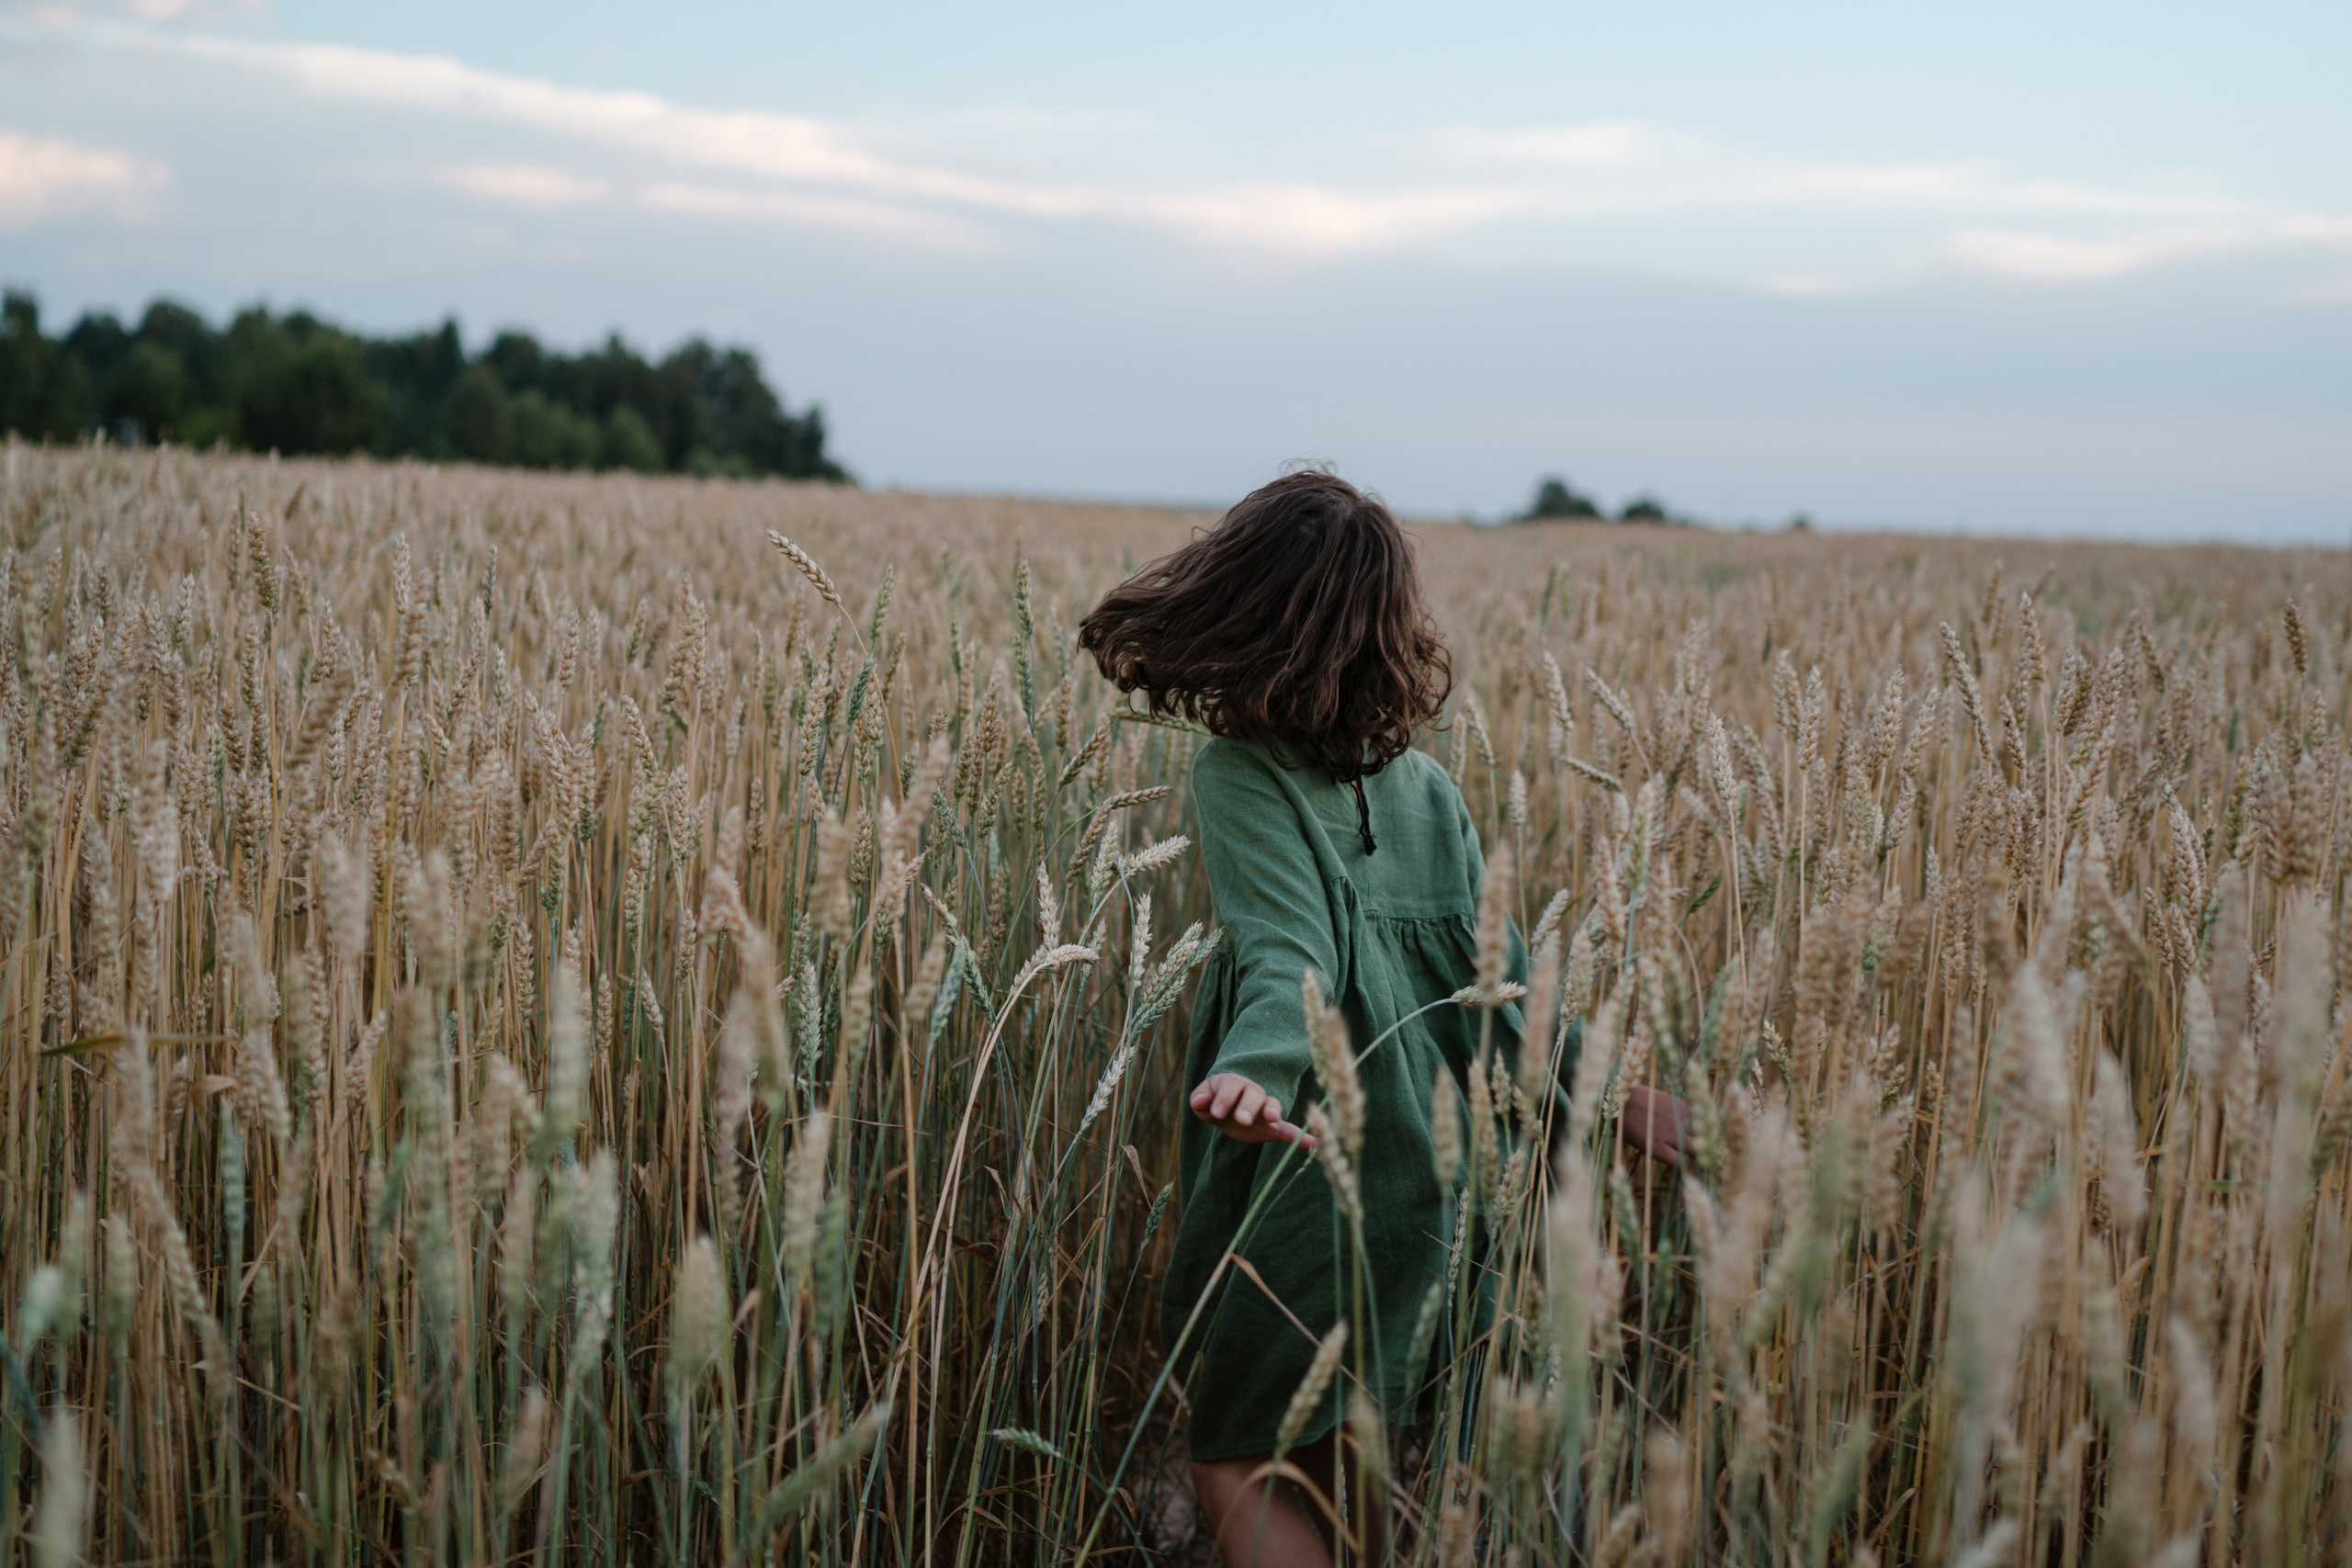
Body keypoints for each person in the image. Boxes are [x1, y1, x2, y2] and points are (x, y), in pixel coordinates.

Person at [1079, 470, 1689, 1566]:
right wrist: (1608, 1088)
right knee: (1355, 1459)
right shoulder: (1431, 791)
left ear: (1237, 606)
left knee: (1233, 1449)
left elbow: (1288, 959)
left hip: (1313, 1163)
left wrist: (1256, 1069)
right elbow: (1503, 982)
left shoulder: (1238, 773)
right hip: (1444, 1173)